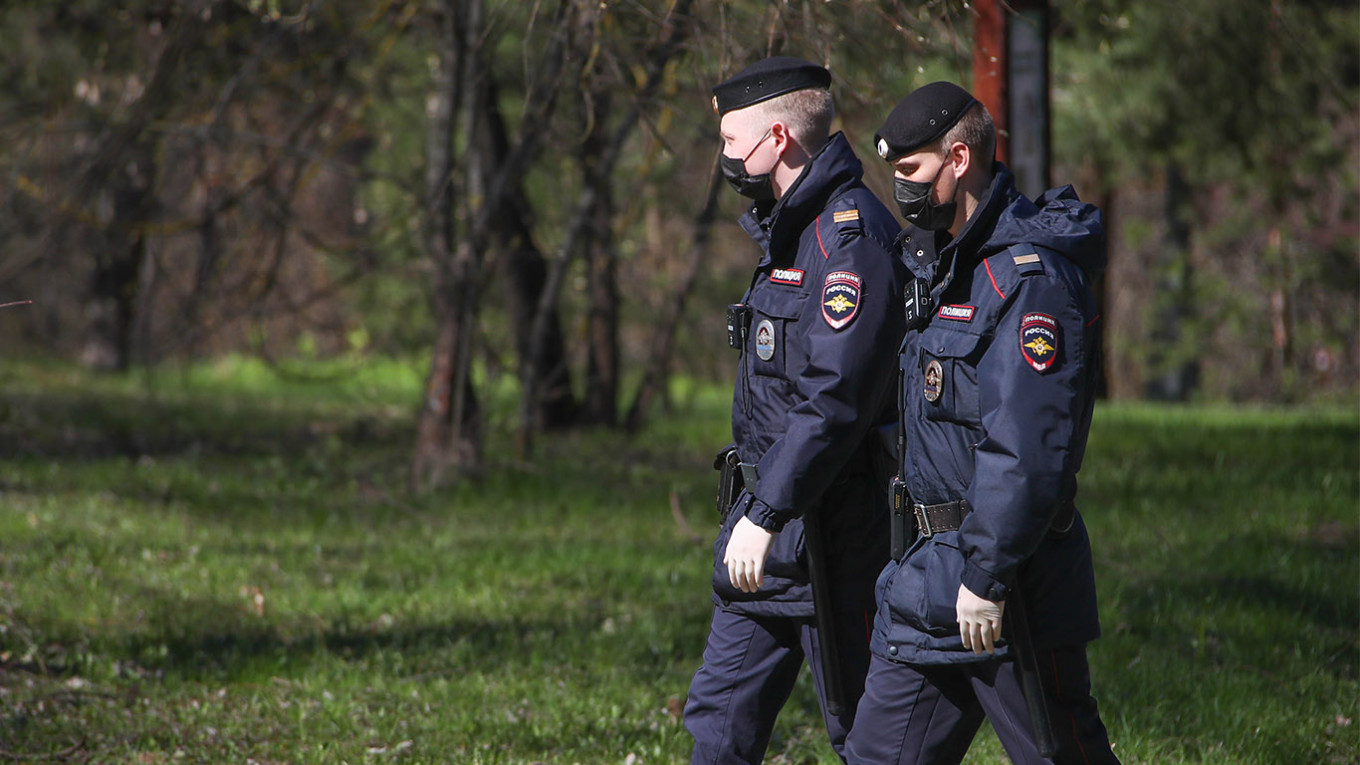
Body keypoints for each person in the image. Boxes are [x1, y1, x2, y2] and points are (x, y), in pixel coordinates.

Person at [844, 81, 1121, 765]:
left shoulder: (1029, 280)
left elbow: (1028, 449)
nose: (901, 189)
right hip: (924, 579)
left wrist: (987, 572)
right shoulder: (942, 270)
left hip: (1007, 587)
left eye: (910, 171)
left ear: (959, 160)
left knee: (1061, 754)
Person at [683, 56, 907, 764]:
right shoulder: (788, 231)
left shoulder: (850, 241)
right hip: (766, 534)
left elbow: (834, 401)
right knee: (718, 723)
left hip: (839, 537)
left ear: (777, 140)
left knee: (864, 733)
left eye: (730, 141)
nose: (723, 158)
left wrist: (767, 510)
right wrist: (759, 513)